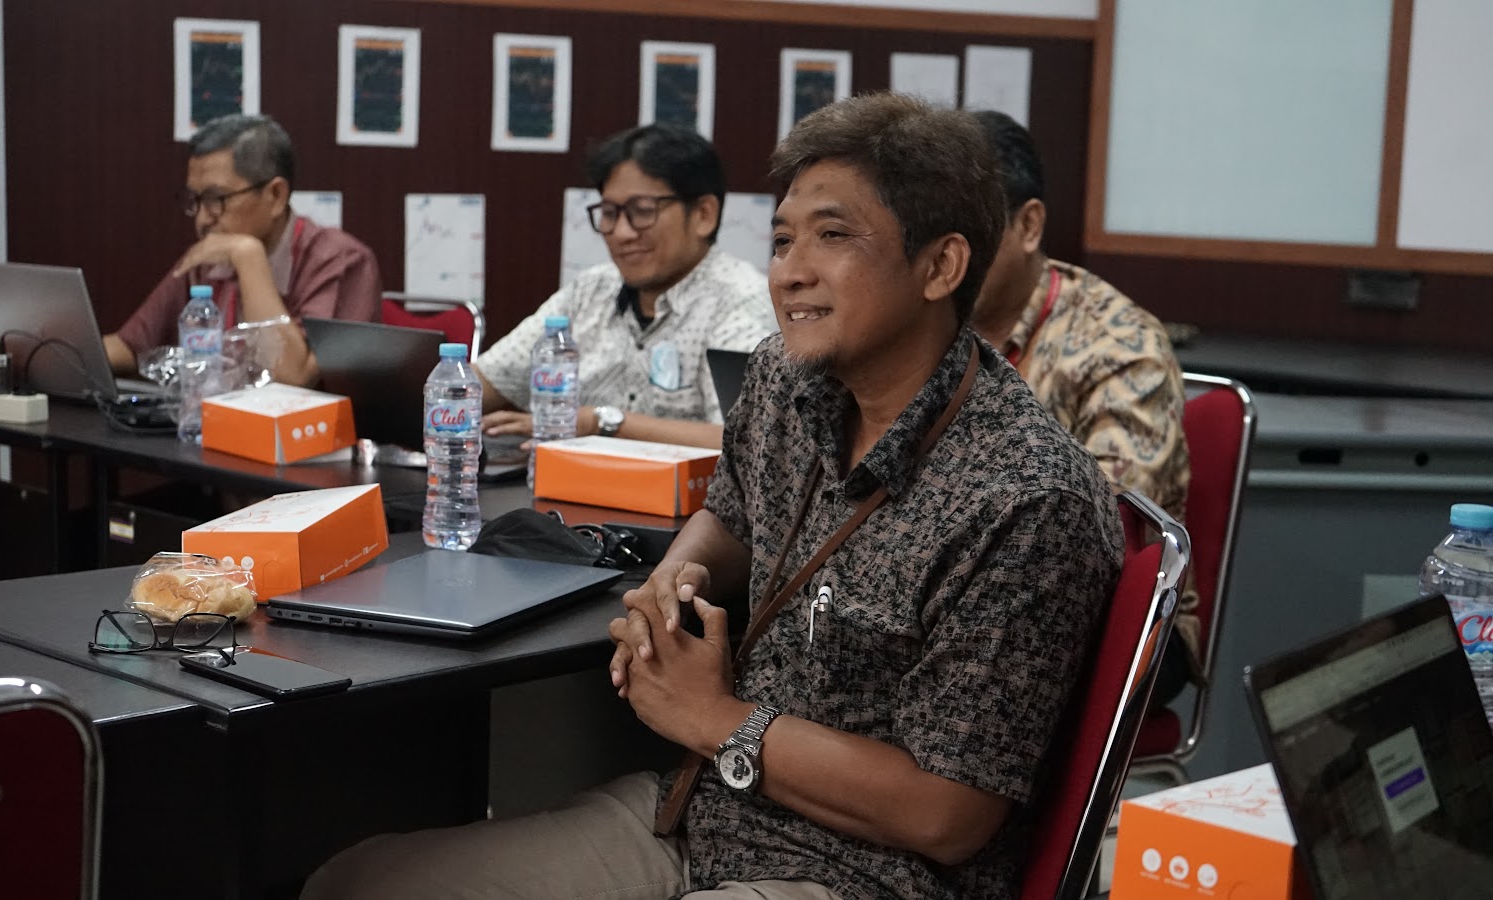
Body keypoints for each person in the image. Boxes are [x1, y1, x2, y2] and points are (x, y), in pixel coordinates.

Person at [301, 94, 1124, 900]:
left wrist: (715, 718)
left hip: (873, 875)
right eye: (782, 240)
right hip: (706, 809)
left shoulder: (1024, 498)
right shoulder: (785, 378)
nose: (790, 272)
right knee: (354, 883)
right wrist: (675, 577)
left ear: (940, 266)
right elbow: (732, 514)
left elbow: (948, 814)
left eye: (833, 236)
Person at [969, 110, 1196, 702]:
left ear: (1028, 224)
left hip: (1114, 617)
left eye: (968, 228)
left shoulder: (1119, 344)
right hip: (954, 593)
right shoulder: (920, 327)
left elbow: (1107, 537)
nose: (946, 254)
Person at [474, 124, 775, 450]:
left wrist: (602, 423)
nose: (621, 233)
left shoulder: (743, 303)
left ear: (704, 215)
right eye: (609, 213)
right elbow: (487, 378)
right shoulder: (590, 291)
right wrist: (447, 392)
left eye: (642, 211)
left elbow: (742, 440)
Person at [103, 114, 382, 388]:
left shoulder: (342, 261)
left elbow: (292, 377)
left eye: (216, 199)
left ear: (276, 195)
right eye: (196, 200)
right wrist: (78, 353)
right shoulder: (210, 257)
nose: (202, 218)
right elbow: (130, 346)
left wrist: (248, 257)